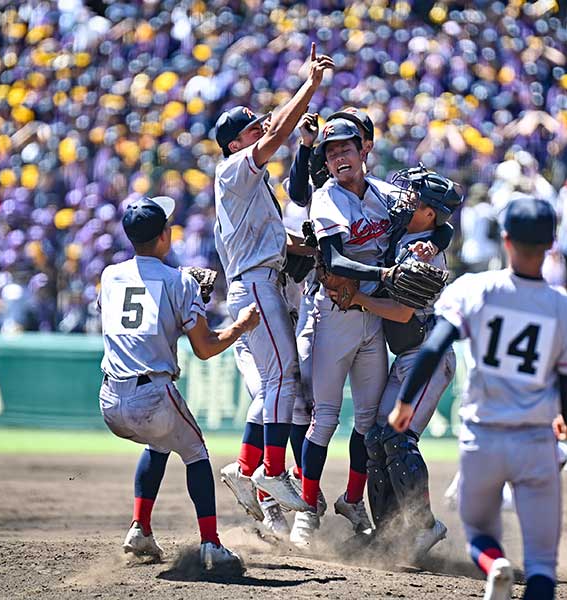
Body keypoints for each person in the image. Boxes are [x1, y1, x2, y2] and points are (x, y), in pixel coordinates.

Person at [392, 197, 567, 600]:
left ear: (505, 240)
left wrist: (404, 401)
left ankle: (493, 564)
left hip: (483, 435)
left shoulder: (476, 288)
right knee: (541, 564)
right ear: (552, 244)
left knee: (480, 533)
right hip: (537, 440)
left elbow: (434, 347)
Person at [98, 196, 260, 573]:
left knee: (159, 444)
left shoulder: (109, 276)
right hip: (151, 394)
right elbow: (204, 349)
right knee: (196, 453)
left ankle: (140, 528)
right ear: (164, 237)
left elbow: (132, 321)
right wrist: (241, 325)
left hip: (109, 397)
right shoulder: (180, 281)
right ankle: (211, 544)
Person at [214, 43, 334, 523]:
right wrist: (309, 86)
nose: (259, 128)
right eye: (250, 128)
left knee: (274, 383)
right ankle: (270, 472)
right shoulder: (233, 170)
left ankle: (250, 470)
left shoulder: (249, 183)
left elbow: (277, 241)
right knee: (282, 377)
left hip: (260, 279)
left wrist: (314, 249)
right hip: (258, 284)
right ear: (234, 144)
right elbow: (278, 134)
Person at [343, 166, 462, 564]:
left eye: (414, 197)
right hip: (409, 356)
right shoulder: (407, 232)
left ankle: (425, 526)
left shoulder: (426, 250)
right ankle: (389, 534)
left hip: (429, 354)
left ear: (430, 214)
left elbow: (402, 312)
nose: (404, 198)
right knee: (376, 439)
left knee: (398, 438)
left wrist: (357, 299)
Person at [290, 118, 397, 546]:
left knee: (369, 423)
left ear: (364, 149)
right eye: (331, 152)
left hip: (373, 317)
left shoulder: (387, 195)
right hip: (334, 314)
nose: (338, 157)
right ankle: (305, 510)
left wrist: (431, 240)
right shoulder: (326, 198)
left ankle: (353, 500)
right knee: (326, 419)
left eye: (345, 149)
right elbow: (334, 261)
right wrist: (385, 272)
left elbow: (435, 216)